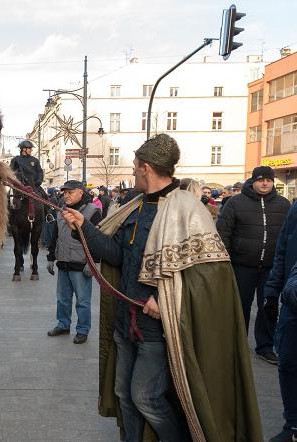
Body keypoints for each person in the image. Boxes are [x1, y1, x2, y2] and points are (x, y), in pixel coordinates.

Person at [62, 134, 262, 441]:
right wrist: (83, 226)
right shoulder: (134, 206)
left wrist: (160, 296)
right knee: (124, 395)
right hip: (125, 322)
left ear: (146, 168)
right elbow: (115, 254)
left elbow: (207, 276)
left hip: (157, 330)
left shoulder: (187, 208)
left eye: (134, 166)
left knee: (146, 398)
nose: (131, 171)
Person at [216, 166, 290, 364]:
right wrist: (225, 262)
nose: (264, 183)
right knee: (240, 308)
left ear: (273, 182)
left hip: (271, 268)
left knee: (269, 307)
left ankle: (265, 347)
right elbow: (223, 233)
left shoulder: (284, 205)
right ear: (253, 181)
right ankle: (236, 347)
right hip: (242, 265)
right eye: (260, 179)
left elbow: (290, 237)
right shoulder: (235, 203)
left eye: (268, 180)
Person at [46, 180, 101, 343]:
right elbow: (55, 235)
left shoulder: (92, 211)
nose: (66, 195)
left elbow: (98, 239)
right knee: (62, 298)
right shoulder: (61, 211)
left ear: (80, 192)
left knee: (83, 301)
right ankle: (63, 324)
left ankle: (82, 330)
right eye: (65, 193)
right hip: (63, 262)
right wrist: (51, 257)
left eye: (70, 192)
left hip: (81, 264)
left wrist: (93, 262)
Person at [264, 200, 297, 442]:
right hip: (292, 301)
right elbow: (283, 249)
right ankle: (293, 425)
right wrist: (272, 292)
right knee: (288, 364)